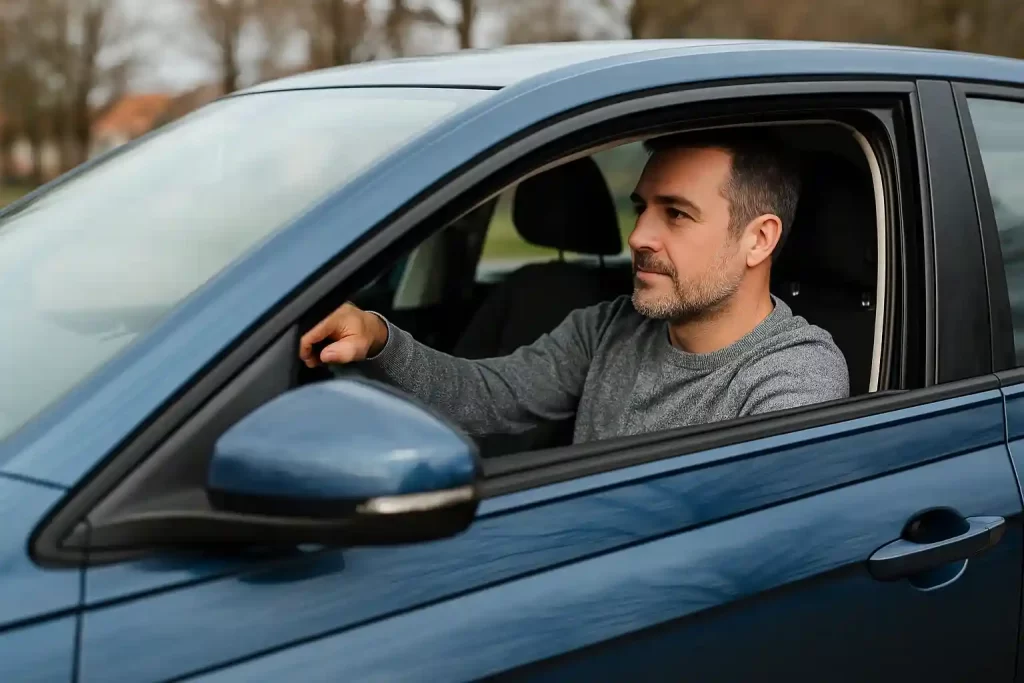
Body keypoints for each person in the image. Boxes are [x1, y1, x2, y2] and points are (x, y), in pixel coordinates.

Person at [299, 129, 850, 444]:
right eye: (640, 209)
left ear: (758, 240)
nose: (637, 236)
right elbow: (488, 398)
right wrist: (378, 337)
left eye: (676, 214)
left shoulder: (793, 375)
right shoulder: (610, 326)